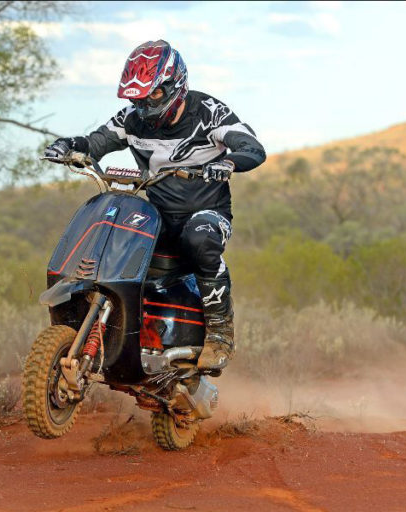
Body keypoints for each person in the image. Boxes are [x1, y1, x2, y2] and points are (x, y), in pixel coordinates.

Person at [43, 40, 266, 371]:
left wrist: (230, 162)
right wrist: (69, 145)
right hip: (157, 213)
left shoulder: (210, 112)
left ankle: (220, 334)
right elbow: (96, 143)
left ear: (175, 85)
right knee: (114, 242)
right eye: (137, 98)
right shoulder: (132, 118)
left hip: (208, 213)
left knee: (199, 238)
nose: (144, 105)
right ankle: (117, 331)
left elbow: (253, 147)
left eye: (153, 95)